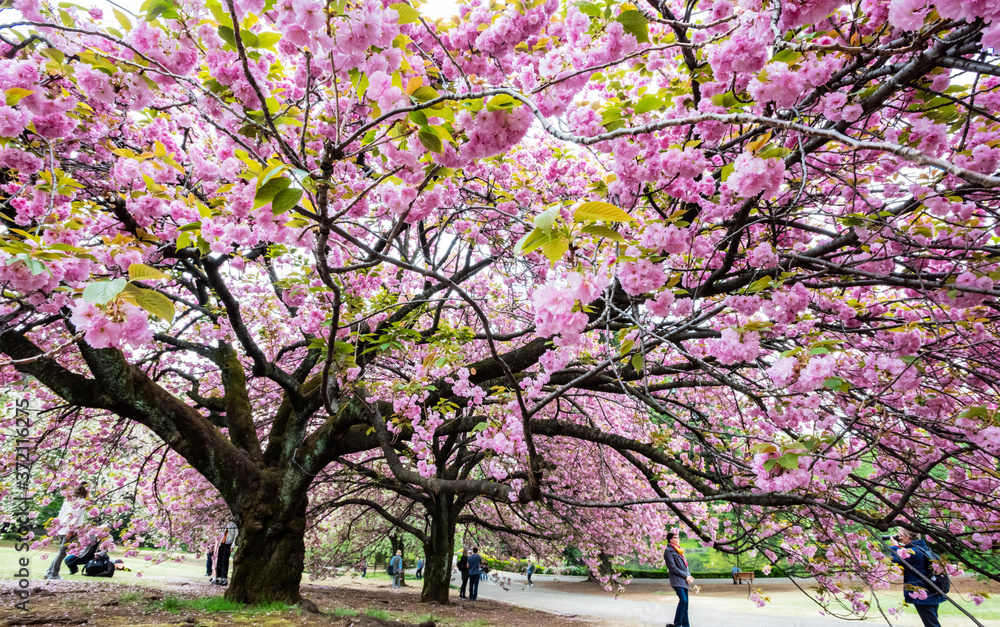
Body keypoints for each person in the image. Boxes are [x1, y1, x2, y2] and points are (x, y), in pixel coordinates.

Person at [891, 530, 945, 627]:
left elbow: (895, 559)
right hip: (932, 591)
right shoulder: (924, 549)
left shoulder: (913, 552)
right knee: (932, 622)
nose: (899, 538)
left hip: (923, 594)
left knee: (932, 625)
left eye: (900, 535)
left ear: (908, 537)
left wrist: (894, 546)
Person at [44, 484, 88, 580]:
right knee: (62, 553)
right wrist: (71, 530)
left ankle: (49, 572)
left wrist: (58, 527)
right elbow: (75, 516)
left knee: (61, 552)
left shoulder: (68, 500)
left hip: (62, 528)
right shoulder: (81, 502)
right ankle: (53, 574)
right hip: (69, 530)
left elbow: (61, 514)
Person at [664, 531, 693, 627]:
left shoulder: (679, 550)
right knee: (683, 600)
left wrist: (689, 576)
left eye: (678, 537)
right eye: (675, 537)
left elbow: (685, 566)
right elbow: (672, 567)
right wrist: (685, 576)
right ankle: (677, 624)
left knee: (686, 604)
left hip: (684, 580)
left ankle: (686, 625)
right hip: (677, 580)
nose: (677, 539)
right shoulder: (668, 551)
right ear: (670, 539)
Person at [211, 519, 238, 586]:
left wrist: (233, 545)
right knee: (219, 560)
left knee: (225, 561)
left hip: (228, 544)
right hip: (221, 543)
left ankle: (224, 578)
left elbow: (235, 535)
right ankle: (218, 576)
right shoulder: (222, 524)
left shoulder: (233, 525)